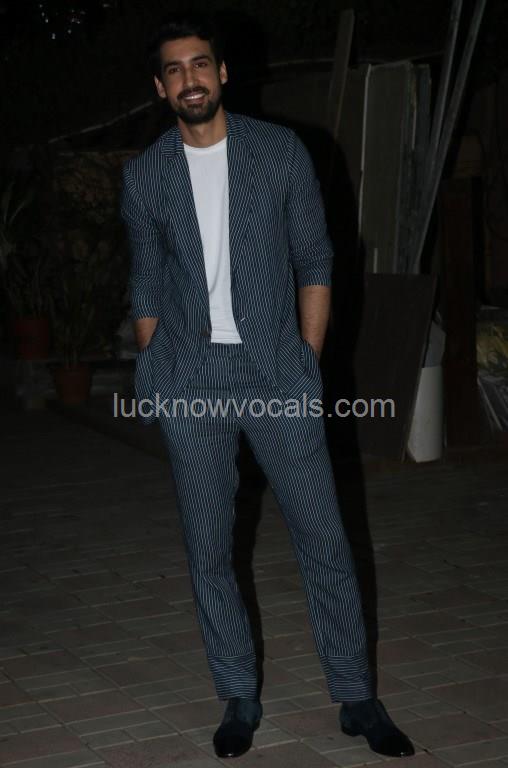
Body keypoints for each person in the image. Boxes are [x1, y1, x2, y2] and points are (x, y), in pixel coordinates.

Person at [121, 11, 414, 760]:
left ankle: (356, 695)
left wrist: (305, 364)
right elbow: (146, 282)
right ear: (161, 88)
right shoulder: (146, 173)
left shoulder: (280, 151)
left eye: (200, 64)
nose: (190, 79)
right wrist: (157, 374)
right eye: (174, 70)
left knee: (323, 535)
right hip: (191, 378)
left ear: (222, 73)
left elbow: (316, 259)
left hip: (276, 371)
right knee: (210, 548)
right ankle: (238, 694)